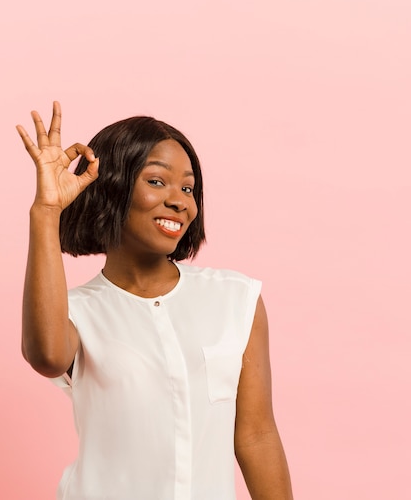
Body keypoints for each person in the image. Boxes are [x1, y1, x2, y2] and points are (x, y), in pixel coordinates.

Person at [16, 101, 293, 500]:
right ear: (112, 189)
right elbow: (47, 356)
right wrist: (46, 212)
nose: (180, 201)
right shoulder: (75, 312)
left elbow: (257, 435)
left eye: (188, 188)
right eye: (157, 181)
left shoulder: (236, 299)